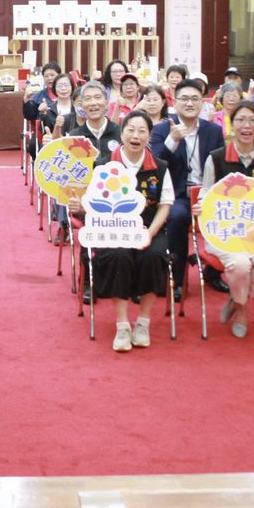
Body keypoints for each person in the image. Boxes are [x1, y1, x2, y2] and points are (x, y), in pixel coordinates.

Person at [70, 111, 172, 352]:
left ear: (149, 136)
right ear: (122, 132)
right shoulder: (104, 164)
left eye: (142, 131)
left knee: (154, 256)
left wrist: (150, 232)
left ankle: (143, 323)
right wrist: (80, 206)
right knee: (118, 256)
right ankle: (123, 324)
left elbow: (165, 205)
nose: (135, 136)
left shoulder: (160, 167)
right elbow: (92, 204)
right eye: (130, 130)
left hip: (149, 229)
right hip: (113, 232)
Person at [198, 102, 254, 338]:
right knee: (240, 264)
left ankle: (235, 300)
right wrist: (202, 205)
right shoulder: (216, 158)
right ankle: (243, 309)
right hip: (223, 229)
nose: (246, 126)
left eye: (252, 121)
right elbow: (205, 194)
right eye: (240, 120)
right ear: (231, 125)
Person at [155, 78, 226, 298]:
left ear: (202, 104)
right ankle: (176, 279)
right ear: (174, 103)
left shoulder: (213, 131)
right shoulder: (161, 129)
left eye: (195, 99)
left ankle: (214, 272)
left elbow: (221, 164)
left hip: (207, 193)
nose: (189, 103)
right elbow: (155, 165)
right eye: (184, 99)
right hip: (178, 196)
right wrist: (172, 142)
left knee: (225, 214)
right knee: (177, 217)